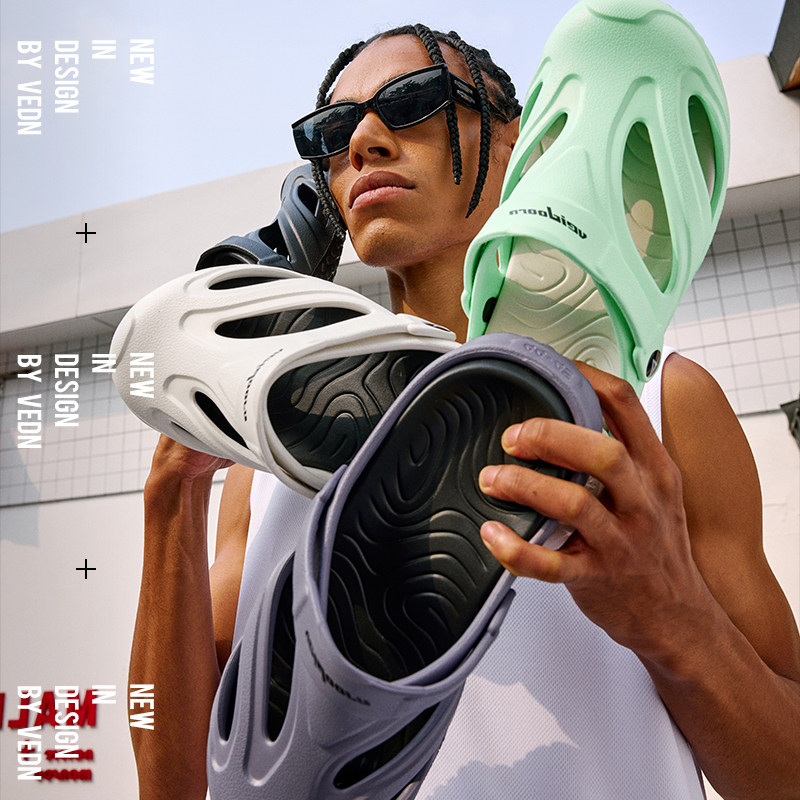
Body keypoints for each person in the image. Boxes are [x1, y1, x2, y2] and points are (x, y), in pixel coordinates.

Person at [128, 23, 800, 800]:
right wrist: (171, 489)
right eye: (333, 132)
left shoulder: (660, 403)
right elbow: (168, 780)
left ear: (519, 138)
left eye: (411, 102)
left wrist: (674, 622)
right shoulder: (266, 457)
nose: (365, 142)